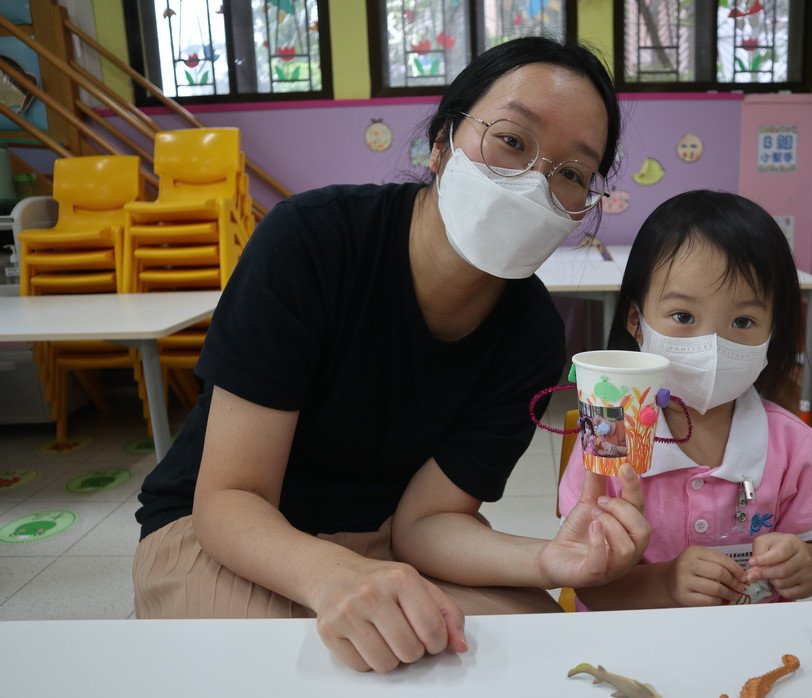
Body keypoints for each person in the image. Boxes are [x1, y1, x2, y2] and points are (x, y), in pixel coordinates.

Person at [133, 37, 650, 673]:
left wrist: (548, 559)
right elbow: (229, 497)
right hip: (227, 535)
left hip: (387, 548)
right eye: (512, 140)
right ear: (441, 144)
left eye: (571, 174)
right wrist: (332, 575)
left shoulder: (533, 334)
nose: (534, 183)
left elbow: (426, 524)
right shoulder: (311, 241)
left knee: (540, 646)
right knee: (298, 669)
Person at [559, 190, 812, 611]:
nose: (713, 344)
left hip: (749, 641)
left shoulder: (794, 446)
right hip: (635, 639)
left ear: (773, 331)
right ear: (637, 321)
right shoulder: (607, 437)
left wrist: (804, 567)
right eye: (684, 316)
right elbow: (585, 583)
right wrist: (665, 584)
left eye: (743, 321)